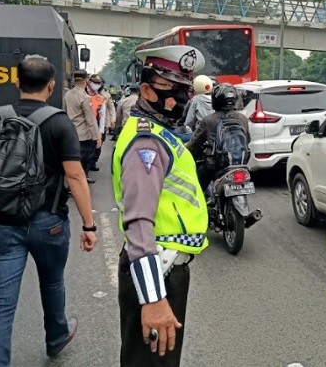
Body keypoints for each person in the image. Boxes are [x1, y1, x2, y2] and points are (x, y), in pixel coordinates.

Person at [0, 57, 98, 366]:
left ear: (16, 83)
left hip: (3, 221)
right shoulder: (59, 122)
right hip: (49, 222)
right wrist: (89, 224)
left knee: (0, 306)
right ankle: (56, 338)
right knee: (53, 282)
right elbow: (75, 176)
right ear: (52, 85)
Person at [113, 45, 209, 367]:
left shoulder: (160, 134)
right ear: (145, 89)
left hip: (163, 268)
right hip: (158, 271)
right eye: (172, 89)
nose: (180, 99)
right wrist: (153, 299)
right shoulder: (147, 142)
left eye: (185, 89)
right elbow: (139, 223)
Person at [186, 84, 250, 193]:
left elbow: (194, 144)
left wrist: (188, 151)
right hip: (240, 163)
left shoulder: (209, 120)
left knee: (196, 189)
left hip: (216, 165)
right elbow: (247, 140)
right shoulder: (242, 118)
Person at [64, 69, 101, 183]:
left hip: (71, 132)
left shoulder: (68, 94)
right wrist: (97, 137)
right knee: (84, 158)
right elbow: (90, 119)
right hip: (84, 134)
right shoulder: (85, 97)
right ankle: (78, 182)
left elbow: (65, 111)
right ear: (86, 80)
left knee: (74, 159)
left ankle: (81, 178)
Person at [87, 75, 109, 173]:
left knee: (95, 148)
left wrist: (100, 132)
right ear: (89, 82)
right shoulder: (83, 95)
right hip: (83, 125)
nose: (96, 85)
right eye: (94, 82)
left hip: (95, 124)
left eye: (98, 83)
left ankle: (92, 163)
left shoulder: (101, 98)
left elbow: (102, 116)